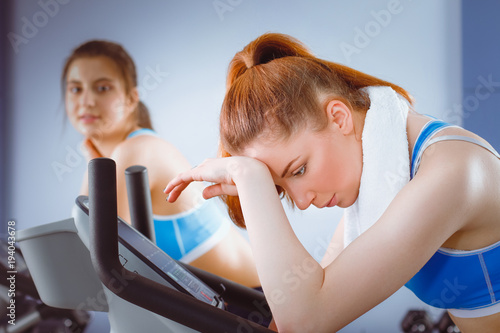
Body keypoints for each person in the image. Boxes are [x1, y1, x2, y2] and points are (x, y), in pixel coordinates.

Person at [164, 33, 500, 332]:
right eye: (281, 188)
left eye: (298, 170)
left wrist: (252, 181)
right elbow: (293, 307)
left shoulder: (452, 171)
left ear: (338, 117)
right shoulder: (380, 185)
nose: (303, 201)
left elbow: (307, 321)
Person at [61, 40, 260, 288]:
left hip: (256, 312)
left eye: (102, 88)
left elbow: (84, 261)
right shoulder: (119, 155)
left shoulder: (136, 149)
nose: (87, 101)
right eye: (76, 89)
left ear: (132, 98)